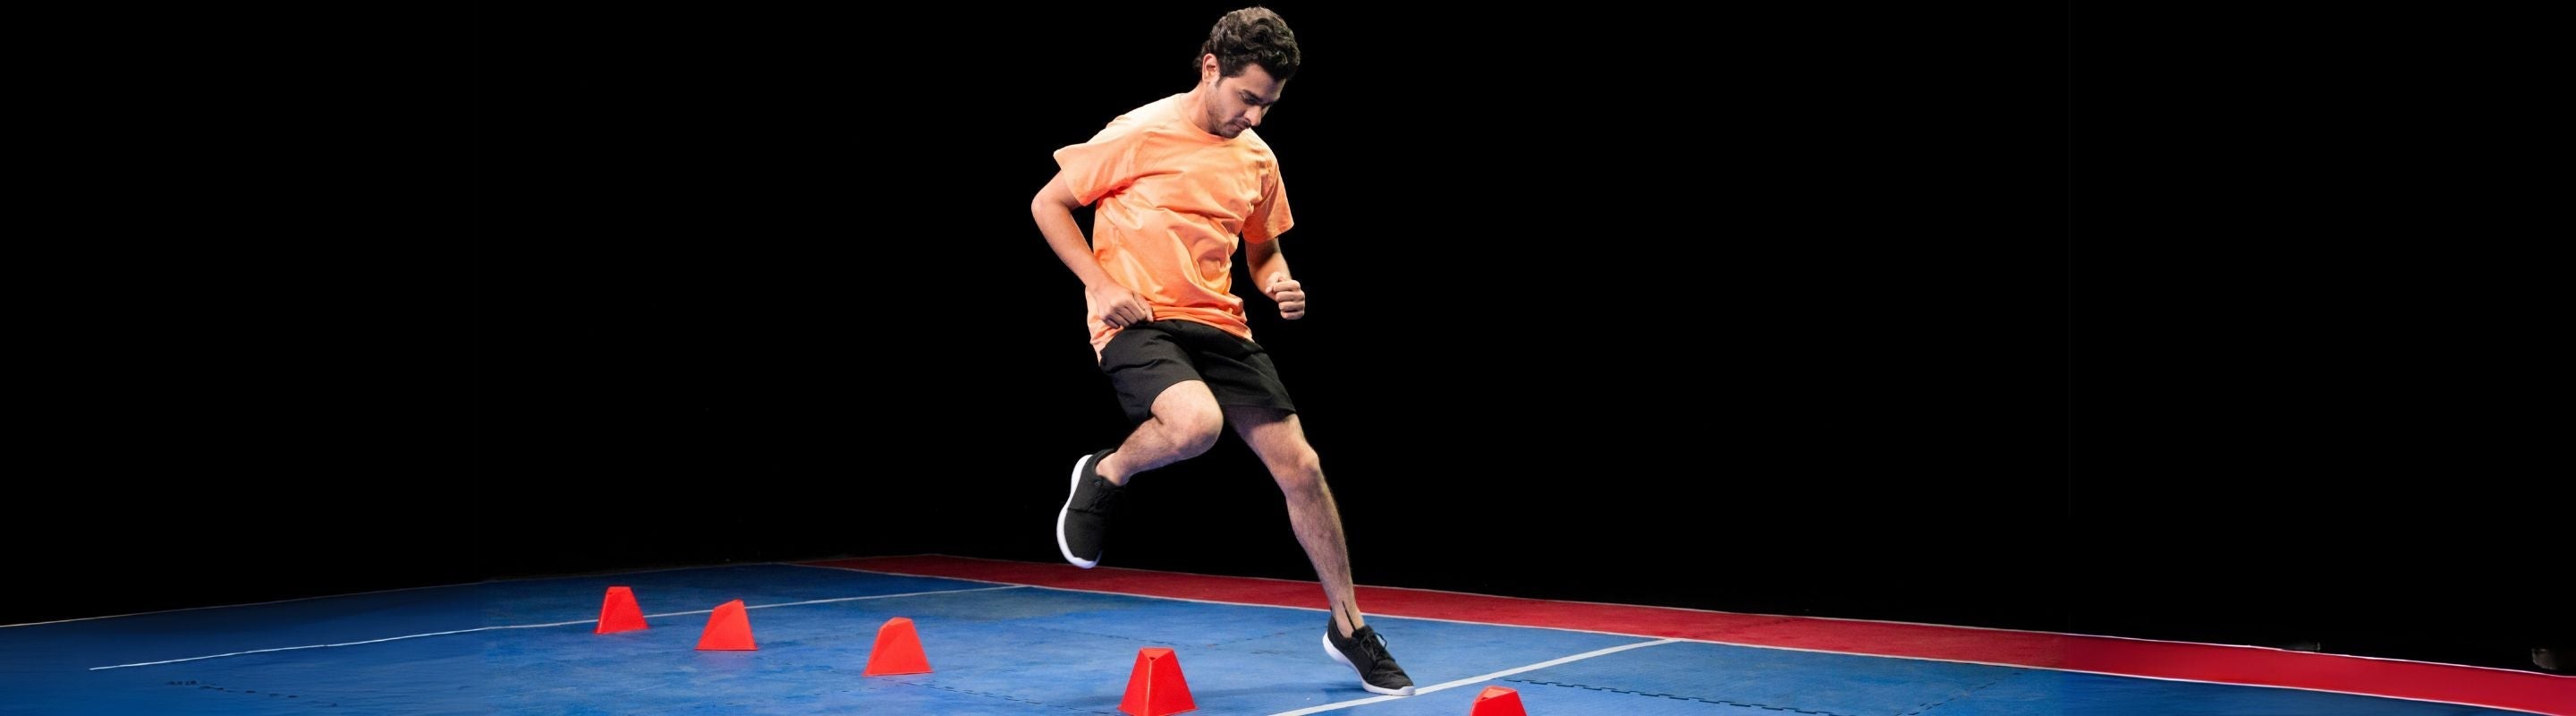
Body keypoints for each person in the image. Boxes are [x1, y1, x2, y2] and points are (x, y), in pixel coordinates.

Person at [1028, 5, 1415, 698]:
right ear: (1211, 68)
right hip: (1140, 317)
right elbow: (1048, 204)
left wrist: (1278, 282)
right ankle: (1108, 471)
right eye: (1247, 98)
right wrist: (1100, 283)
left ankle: (1349, 627)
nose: (1255, 116)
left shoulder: (1258, 157)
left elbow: (1264, 248)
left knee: (1304, 468)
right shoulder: (1138, 132)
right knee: (1195, 424)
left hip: (1222, 326)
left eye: (1269, 105)